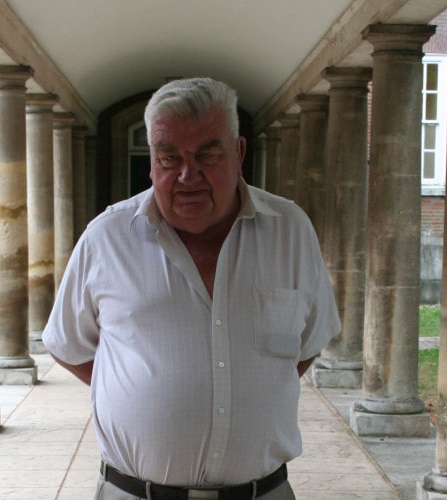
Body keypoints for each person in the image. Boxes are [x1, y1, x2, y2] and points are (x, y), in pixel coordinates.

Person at [43, 77, 341, 500]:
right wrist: (137, 391)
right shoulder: (107, 238)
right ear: (152, 159)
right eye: (169, 158)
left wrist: (246, 389)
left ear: (238, 152)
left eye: (207, 154)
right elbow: (67, 346)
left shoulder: (290, 232)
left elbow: (308, 342)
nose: (188, 175)